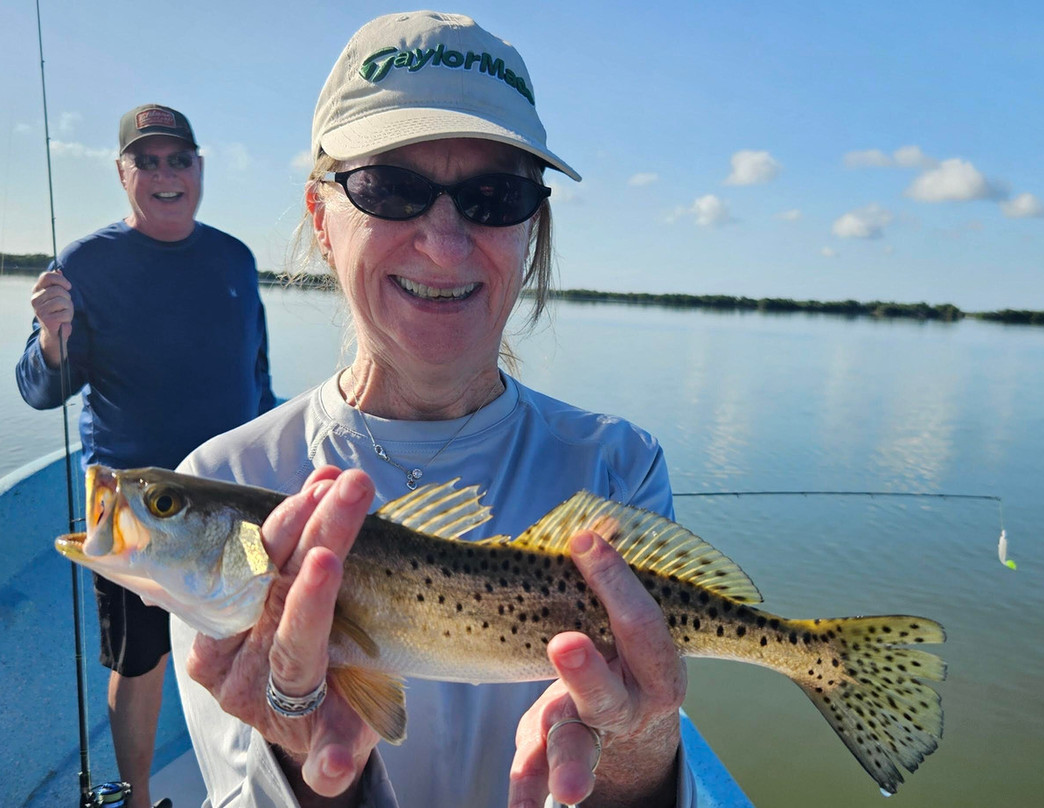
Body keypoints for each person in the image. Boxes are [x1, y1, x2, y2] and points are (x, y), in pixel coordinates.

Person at [171, 12, 693, 808]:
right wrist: (313, 773)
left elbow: (632, 762)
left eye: (496, 195)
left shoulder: (619, 466)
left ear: (531, 229)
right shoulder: (226, 483)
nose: (445, 245)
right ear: (321, 217)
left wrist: (641, 756)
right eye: (391, 189)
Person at [16, 103, 277, 808]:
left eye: (179, 159)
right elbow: (42, 389)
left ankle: (263, 784)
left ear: (199, 167)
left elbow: (260, 381)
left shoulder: (235, 259)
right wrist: (49, 336)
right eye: (148, 161)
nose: (166, 175)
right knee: (141, 660)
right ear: (122, 173)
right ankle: (134, 800)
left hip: (230, 501)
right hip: (135, 508)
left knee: (261, 638)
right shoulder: (85, 263)